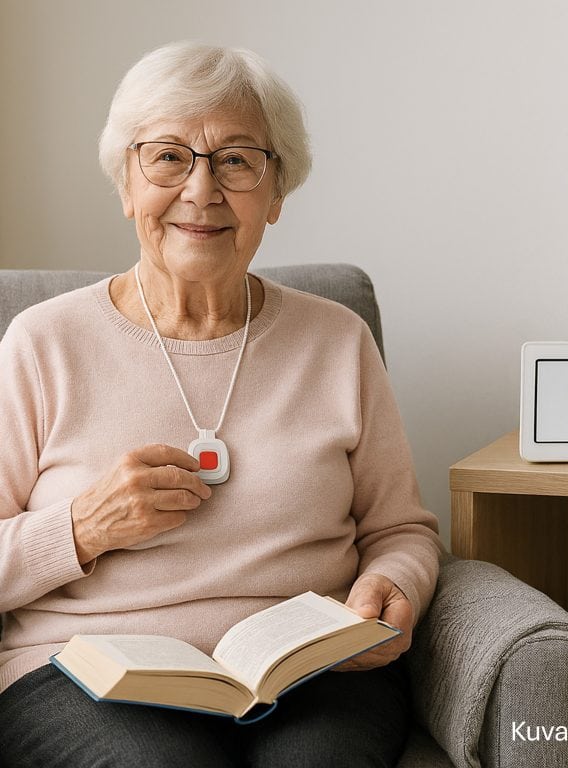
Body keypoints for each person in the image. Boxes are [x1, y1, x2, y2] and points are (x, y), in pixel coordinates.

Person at [0, 41, 442, 768]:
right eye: (169, 156)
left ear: (275, 194)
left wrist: (392, 586)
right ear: (126, 184)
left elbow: (401, 529)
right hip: (86, 676)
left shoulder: (337, 341)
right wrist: (81, 527)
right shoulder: (43, 343)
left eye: (236, 159)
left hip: (310, 674)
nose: (201, 190)